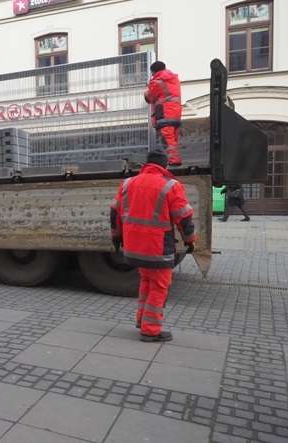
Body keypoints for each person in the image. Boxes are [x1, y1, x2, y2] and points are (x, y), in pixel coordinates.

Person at [110, 150, 196, 342]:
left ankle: (142, 320)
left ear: (146, 165)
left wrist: (116, 237)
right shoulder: (171, 185)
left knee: (147, 283)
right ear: (164, 165)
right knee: (158, 287)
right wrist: (190, 240)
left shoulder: (128, 183)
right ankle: (151, 330)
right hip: (157, 248)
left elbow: (115, 212)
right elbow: (184, 217)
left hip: (134, 247)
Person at [144, 61, 183, 166]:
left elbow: (150, 97)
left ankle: (174, 160)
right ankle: (175, 158)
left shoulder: (157, 81)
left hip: (165, 112)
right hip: (176, 112)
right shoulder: (173, 79)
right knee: (173, 137)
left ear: (153, 71)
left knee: (167, 137)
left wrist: (146, 91)